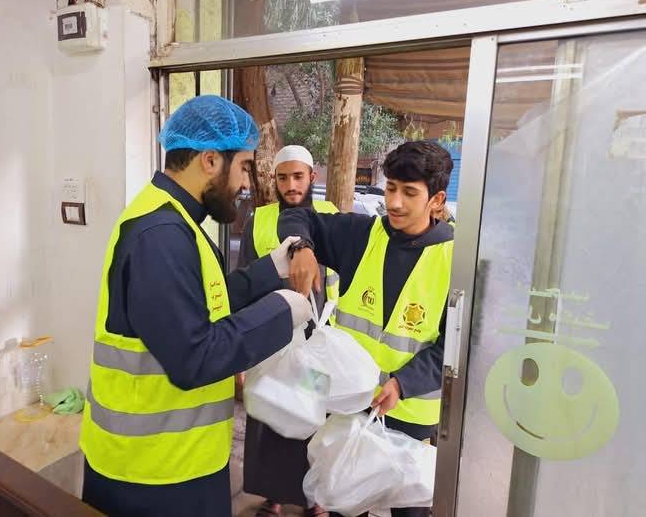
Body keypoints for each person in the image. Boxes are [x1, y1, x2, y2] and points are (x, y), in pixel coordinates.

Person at [78, 95, 313, 517]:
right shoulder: (161, 234)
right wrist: (281, 310)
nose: (246, 184)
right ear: (210, 160)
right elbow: (196, 356)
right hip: (153, 476)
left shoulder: (175, 219)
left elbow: (203, 300)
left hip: (177, 461)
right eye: (243, 166)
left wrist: (269, 271)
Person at [279, 141, 454, 517]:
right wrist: (301, 247)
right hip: (351, 405)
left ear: (437, 199)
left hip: (410, 417)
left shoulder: (455, 259)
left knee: (409, 510)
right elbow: (296, 217)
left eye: (409, 193)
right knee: (346, 503)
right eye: (391, 188)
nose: (395, 202)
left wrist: (402, 384)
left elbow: (454, 346)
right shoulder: (360, 236)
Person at [238, 145, 338, 517]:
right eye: (283, 178)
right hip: (271, 339)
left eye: (298, 176)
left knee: (315, 419)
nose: (291, 185)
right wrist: (242, 352)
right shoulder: (259, 220)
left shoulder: (330, 217)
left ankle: (316, 499)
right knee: (271, 414)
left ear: (313, 176)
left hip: (317, 341)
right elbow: (246, 282)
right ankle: (274, 495)